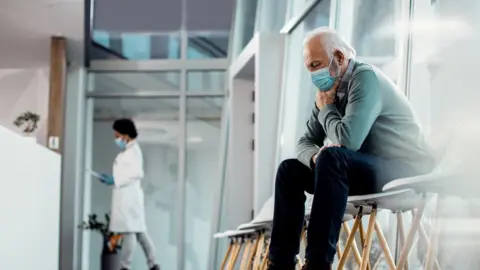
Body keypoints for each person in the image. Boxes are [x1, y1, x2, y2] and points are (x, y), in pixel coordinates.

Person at [267, 27, 435, 270]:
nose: (314, 74)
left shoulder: (364, 79)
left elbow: (349, 141)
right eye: (309, 68)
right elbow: (304, 143)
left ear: (339, 58)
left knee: (334, 157)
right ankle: (280, 264)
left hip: (406, 168)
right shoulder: (327, 92)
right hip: (368, 168)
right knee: (289, 170)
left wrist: (326, 110)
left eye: (316, 64)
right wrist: (315, 158)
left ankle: (317, 264)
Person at [98, 118, 160, 270]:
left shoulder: (134, 151)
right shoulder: (128, 151)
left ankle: (125, 267)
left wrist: (115, 179)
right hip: (127, 197)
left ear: (126, 135)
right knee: (139, 233)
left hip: (129, 198)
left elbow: (136, 173)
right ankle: (153, 264)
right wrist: (114, 180)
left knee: (130, 232)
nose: (116, 139)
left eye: (117, 135)